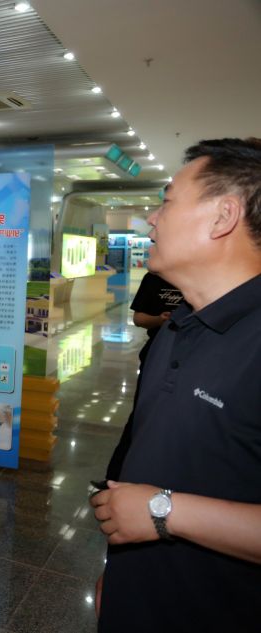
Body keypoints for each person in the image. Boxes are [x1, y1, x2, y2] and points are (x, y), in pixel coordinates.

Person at [91, 138, 261, 631]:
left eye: (167, 202)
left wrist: (165, 511)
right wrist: (117, 576)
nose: (152, 218)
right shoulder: (177, 327)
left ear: (223, 216)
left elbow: (152, 505)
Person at [104, 270, 184, 480]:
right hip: (158, 352)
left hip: (194, 357)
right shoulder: (154, 279)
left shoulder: (204, 276)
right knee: (142, 412)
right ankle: (117, 477)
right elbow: (139, 318)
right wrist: (160, 319)